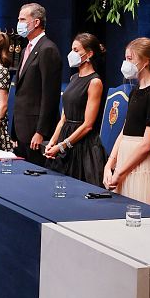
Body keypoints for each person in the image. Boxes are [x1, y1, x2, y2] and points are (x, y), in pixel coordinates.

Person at [103, 37, 150, 211]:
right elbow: (125, 130)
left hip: (141, 164)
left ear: (145, 61)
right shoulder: (135, 90)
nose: (126, 63)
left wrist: (120, 172)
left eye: (130, 59)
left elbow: (147, 144)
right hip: (125, 159)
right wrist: (110, 164)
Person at [44, 33, 106, 186]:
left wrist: (62, 146)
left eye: (76, 50)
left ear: (89, 54)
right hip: (64, 137)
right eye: (72, 49)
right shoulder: (73, 78)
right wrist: (52, 141)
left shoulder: (95, 82)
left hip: (82, 144)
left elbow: (88, 125)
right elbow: (64, 117)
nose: (72, 54)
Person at [11, 3, 62, 164]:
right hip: (21, 129)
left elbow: (50, 95)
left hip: (36, 132)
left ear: (36, 22)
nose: (19, 23)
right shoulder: (26, 49)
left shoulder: (48, 49)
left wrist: (41, 131)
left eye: (22, 19)